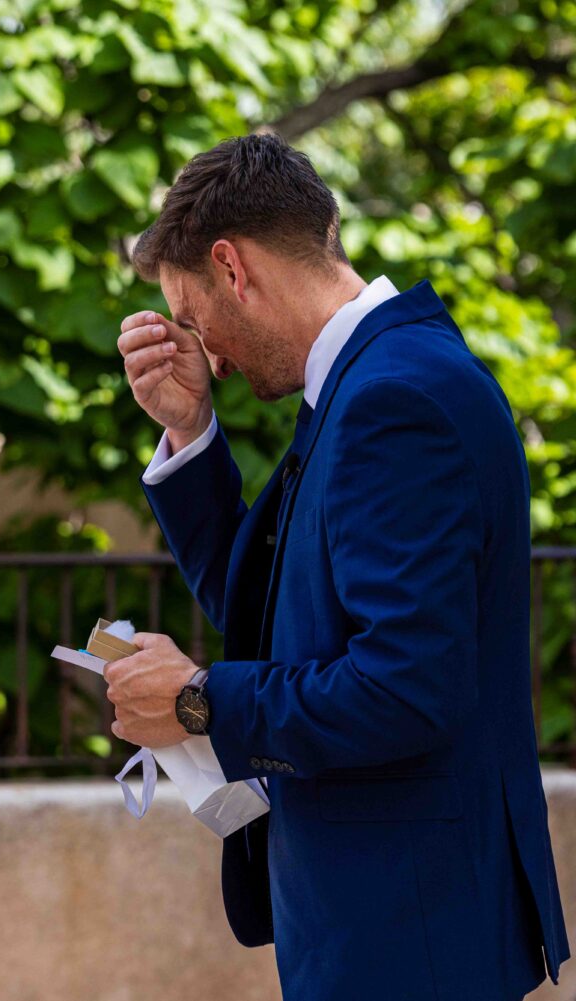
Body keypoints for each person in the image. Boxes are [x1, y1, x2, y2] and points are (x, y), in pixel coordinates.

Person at [108, 133, 569, 1000]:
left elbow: (405, 688)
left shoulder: (393, 400)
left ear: (232, 269)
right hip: (384, 921)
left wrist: (198, 699)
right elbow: (276, 617)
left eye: (194, 316)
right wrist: (188, 433)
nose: (203, 353)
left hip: (411, 933)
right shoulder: (370, 382)